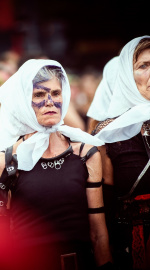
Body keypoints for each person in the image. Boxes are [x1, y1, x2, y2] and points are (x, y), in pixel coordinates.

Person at [0, 59, 113, 270]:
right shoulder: (3, 162)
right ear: (22, 102)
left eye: (55, 93)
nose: (49, 101)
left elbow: (98, 234)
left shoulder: (86, 154)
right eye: (38, 95)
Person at [89, 35, 150, 270]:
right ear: (125, 75)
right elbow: (102, 210)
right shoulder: (109, 134)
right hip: (135, 245)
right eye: (143, 66)